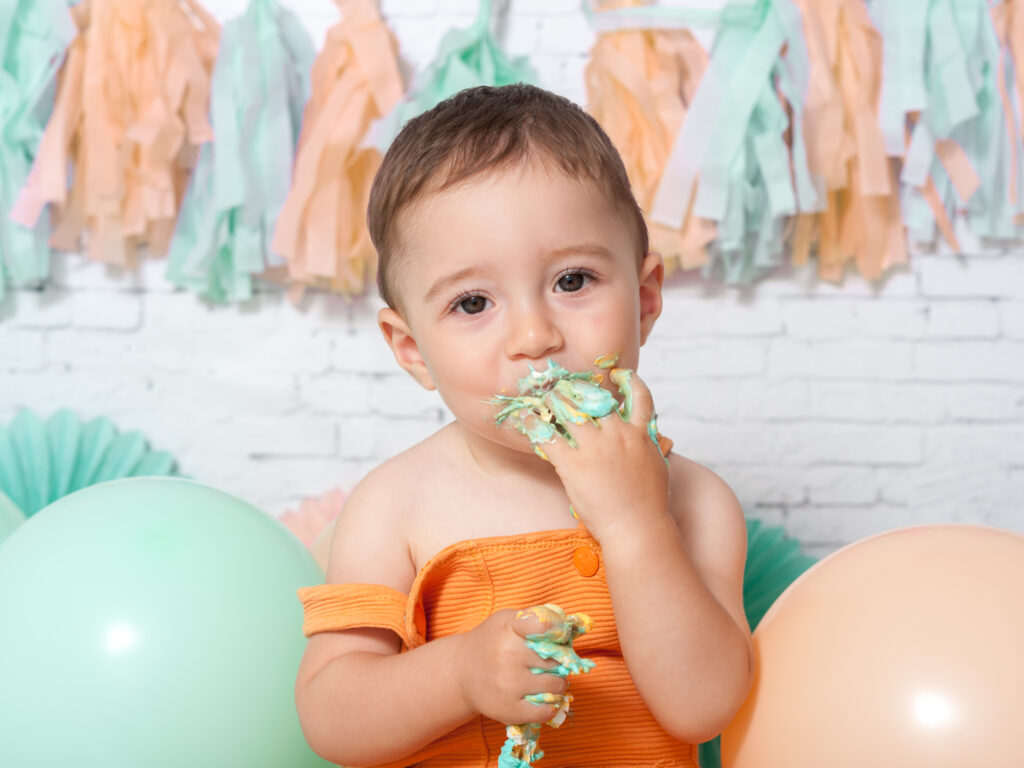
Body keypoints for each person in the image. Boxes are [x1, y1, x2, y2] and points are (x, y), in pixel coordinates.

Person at [294, 84, 753, 768]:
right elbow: (333, 718)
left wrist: (635, 524)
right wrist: (459, 675)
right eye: (472, 302)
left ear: (646, 297)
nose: (535, 336)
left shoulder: (695, 501)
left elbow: (704, 707)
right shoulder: (395, 505)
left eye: (573, 281)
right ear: (413, 350)